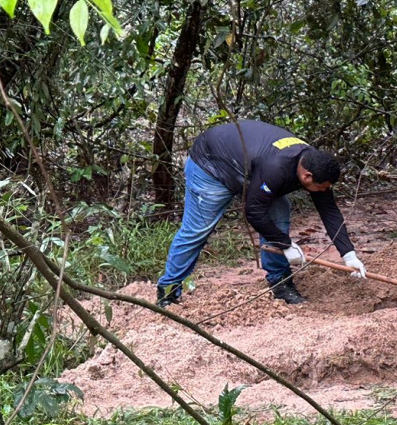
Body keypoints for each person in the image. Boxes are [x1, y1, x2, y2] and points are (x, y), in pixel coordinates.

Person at [155, 120, 367, 307]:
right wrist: (285, 245)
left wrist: (348, 254)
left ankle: (280, 283)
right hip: (211, 164)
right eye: (321, 187)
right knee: (197, 230)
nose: (323, 192)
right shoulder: (278, 168)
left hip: (250, 166)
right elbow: (253, 212)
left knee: (278, 214)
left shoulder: (315, 164)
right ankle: (168, 291)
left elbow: (329, 210)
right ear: (307, 176)